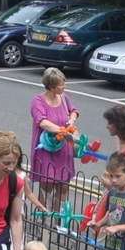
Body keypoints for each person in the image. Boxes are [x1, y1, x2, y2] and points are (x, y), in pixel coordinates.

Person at [30, 68, 79, 213]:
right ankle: (43, 216)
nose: (64, 87)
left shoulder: (64, 98)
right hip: (46, 149)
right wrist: (62, 131)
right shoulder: (38, 101)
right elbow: (42, 122)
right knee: (47, 185)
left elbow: (74, 111)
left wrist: (71, 119)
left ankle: (58, 219)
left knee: (63, 185)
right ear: (51, 86)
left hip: (63, 149)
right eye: (61, 85)